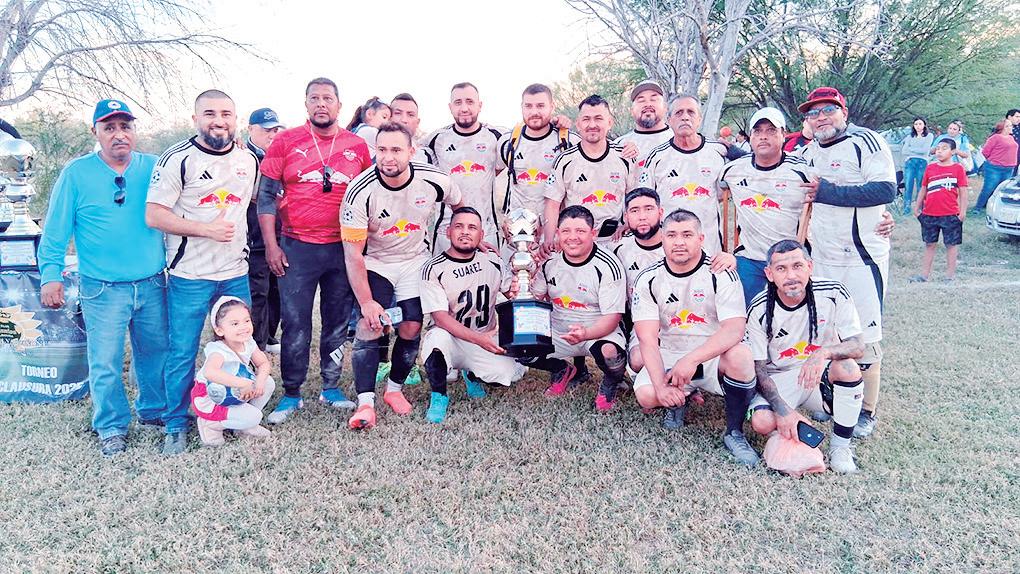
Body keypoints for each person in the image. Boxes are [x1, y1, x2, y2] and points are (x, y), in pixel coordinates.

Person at [38, 99, 168, 456]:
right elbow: (55, 231)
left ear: (134, 131)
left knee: (155, 353)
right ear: (95, 132)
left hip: (152, 283)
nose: (119, 134)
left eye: (126, 126)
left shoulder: (154, 167)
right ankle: (111, 425)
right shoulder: (76, 173)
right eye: (109, 128)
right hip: (102, 288)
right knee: (106, 361)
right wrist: (50, 275)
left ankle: (154, 411)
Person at [146, 89, 258, 455]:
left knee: (239, 346)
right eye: (209, 114)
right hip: (190, 275)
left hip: (234, 272)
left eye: (226, 114)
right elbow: (154, 215)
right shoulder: (178, 158)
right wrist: (205, 229)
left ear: (236, 119)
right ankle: (176, 423)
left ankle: (232, 413)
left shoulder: (247, 160)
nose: (218, 121)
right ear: (195, 119)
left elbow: (251, 203)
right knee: (183, 351)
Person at [256, 77, 372, 423]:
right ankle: (292, 392)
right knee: (296, 323)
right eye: (314, 98)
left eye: (328, 98)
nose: (321, 104)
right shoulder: (286, 141)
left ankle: (331, 386)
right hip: (297, 246)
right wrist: (272, 245)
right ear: (306, 104)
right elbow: (265, 196)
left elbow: (369, 195)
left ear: (339, 105)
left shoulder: (356, 145)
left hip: (342, 247)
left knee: (337, 320)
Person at [342, 122, 463, 430]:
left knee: (411, 326)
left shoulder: (434, 179)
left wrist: (465, 234)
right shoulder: (359, 190)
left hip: (414, 261)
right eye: (382, 150)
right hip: (377, 262)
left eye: (396, 150)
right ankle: (365, 403)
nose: (388, 157)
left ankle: (394, 390)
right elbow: (353, 254)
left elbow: (459, 204)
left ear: (412, 151)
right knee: (369, 325)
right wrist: (367, 302)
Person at [797, 86, 896, 439]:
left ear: (844, 113)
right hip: (823, 257)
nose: (820, 118)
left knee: (864, 334)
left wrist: (830, 192)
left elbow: (885, 189)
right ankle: (834, 395)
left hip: (861, 256)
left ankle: (866, 411)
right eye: (813, 113)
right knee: (828, 329)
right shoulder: (808, 152)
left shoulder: (865, 142)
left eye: (828, 110)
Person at [631, 209, 759, 466]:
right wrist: (661, 388)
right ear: (662, 239)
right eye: (672, 235)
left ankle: (734, 432)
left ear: (701, 238)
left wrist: (691, 360)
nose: (679, 242)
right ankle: (678, 398)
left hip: (711, 355)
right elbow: (647, 339)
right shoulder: (648, 278)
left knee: (741, 356)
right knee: (647, 394)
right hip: (671, 353)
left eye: (687, 235)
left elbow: (734, 329)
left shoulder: (720, 272)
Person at [746, 240, 865, 473]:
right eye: (781, 269)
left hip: (818, 374)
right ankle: (788, 430)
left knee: (848, 368)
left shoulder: (833, 292)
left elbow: (858, 345)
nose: (791, 275)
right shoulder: (759, 308)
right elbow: (759, 369)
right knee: (762, 422)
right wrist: (782, 410)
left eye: (797, 266)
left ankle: (841, 447)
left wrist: (823, 353)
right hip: (780, 378)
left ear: (810, 266)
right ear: (769, 274)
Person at [419, 207, 520, 423]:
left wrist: (522, 279)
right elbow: (440, 318)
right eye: (459, 226)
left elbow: (511, 293)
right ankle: (439, 396)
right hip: (451, 339)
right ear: (448, 232)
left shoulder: (492, 261)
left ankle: (471, 374)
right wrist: (478, 339)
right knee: (436, 339)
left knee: (509, 373)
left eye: (472, 227)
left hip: (484, 336)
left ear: (481, 235)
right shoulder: (433, 268)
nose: (465, 232)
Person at [526, 206, 628, 411]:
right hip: (559, 331)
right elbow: (534, 299)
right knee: (520, 345)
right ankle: (561, 369)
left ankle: (610, 382)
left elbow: (613, 317)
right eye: (566, 231)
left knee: (610, 354)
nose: (573, 237)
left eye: (580, 231)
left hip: (597, 331)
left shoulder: (608, 265)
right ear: (558, 233)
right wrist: (522, 285)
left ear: (593, 233)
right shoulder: (550, 262)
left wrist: (586, 333)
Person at [719, 107, 812, 304]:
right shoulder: (732, 170)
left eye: (771, 130)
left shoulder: (802, 171)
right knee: (748, 312)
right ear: (750, 137)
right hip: (750, 258)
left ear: (783, 135)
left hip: (789, 259)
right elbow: (712, 195)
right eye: (757, 131)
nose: (763, 136)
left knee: (789, 314)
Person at [639, 94, 745, 255]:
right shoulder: (657, 156)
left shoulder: (717, 150)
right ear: (669, 120)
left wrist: (733, 149)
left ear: (699, 119)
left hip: (709, 246)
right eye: (679, 113)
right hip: (670, 248)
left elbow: (753, 163)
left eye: (691, 112)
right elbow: (643, 199)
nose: (685, 117)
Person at [543, 95, 638, 249]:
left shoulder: (625, 156)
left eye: (598, 118)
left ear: (610, 123)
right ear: (578, 124)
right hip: (576, 242)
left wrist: (629, 224)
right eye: (586, 119)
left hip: (616, 240)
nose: (592, 125)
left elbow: (635, 199)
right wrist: (549, 239)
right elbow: (552, 204)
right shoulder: (565, 160)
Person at [425, 82, 503, 251]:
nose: (464, 108)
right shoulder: (436, 139)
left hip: (486, 230)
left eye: (470, 101)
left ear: (480, 105)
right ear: (450, 107)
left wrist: (557, 123)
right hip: (446, 232)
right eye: (458, 102)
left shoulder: (496, 136)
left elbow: (529, 138)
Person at [191, 297, 275, 446]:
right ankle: (210, 424)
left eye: (246, 321)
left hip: (234, 390)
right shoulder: (218, 350)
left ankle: (243, 427)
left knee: (268, 382)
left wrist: (259, 381)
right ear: (219, 330)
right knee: (255, 416)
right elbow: (210, 372)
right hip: (211, 397)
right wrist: (242, 383)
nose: (243, 327)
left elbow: (263, 363)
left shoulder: (248, 342)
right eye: (235, 324)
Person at [497, 84, 578, 235]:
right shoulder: (507, 142)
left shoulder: (569, 141)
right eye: (528, 106)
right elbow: (489, 175)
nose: (534, 112)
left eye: (540, 106)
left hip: (556, 232)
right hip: (518, 232)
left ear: (552, 107)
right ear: (522, 107)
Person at [245, 107, 284, 352]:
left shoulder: (280, 155)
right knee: (258, 293)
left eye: (275, 130)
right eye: (266, 129)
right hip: (254, 238)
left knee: (277, 291)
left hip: (280, 235)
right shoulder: (242, 156)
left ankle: (269, 336)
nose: (272, 134)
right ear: (251, 129)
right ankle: (257, 345)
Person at [613, 188, 664, 373]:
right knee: (638, 360)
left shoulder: (677, 243)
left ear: (660, 212)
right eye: (635, 211)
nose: (642, 216)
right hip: (644, 322)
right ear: (626, 217)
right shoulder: (618, 249)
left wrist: (728, 258)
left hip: (679, 319)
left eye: (648, 209)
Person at [911, 139, 967, 282]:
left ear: (953, 152)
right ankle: (924, 275)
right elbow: (923, 188)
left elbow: (963, 191)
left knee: (951, 245)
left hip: (950, 214)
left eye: (944, 148)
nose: (940, 151)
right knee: (929, 244)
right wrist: (917, 208)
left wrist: (962, 212)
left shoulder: (958, 169)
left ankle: (949, 276)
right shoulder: (930, 168)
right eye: (938, 148)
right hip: (929, 214)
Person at [614, 79, 672, 168]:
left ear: (665, 107)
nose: (648, 104)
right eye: (641, 100)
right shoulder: (619, 145)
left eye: (653, 99)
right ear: (632, 111)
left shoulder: (680, 141)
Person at [973, 120, 1018, 213]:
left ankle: (997, 208)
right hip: (995, 168)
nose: (1011, 127)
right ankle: (978, 207)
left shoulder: (1011, 138)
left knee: (1002, 189)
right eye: (1009, 126)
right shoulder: (995, 138)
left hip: (1009, 168)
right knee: (989, 188)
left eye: (1011, 126)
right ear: (1003, 128)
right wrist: (994, 160)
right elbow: (985, 151)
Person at [900, 117, 934, 216]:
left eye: (920, 124)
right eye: (916, 124)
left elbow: (925, 150)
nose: (918, 126)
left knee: (921, 185)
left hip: (922, 162)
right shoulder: (910, 136)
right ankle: (906, 207)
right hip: (910, 161)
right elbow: (904, 151)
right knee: (908, 184)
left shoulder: (929, 136)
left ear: (924, 125)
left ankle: (920, 207)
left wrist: (911, 149)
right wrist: (916, 150)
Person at [390, 93, 436, 165]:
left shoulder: (428, 156)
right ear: (388, 118)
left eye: (410, 115)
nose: (404, 120)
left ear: (417, 122)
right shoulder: (373, 149)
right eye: (398, 113)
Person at [1007, 108, 1020, 175]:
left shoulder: (1018, 127)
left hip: (1017, 156)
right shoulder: (1001, 128)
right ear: (1009, 117)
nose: (1019, 119)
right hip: (1006, 159)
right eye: (1017, 117)